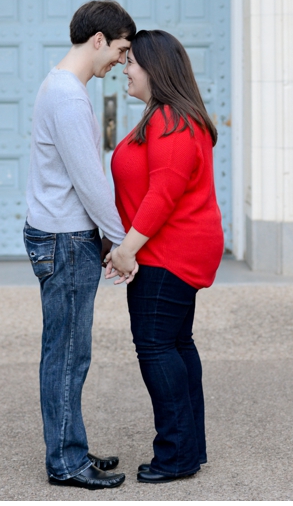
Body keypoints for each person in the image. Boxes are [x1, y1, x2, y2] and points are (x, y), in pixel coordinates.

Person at [23, 0, 136, 490]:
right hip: (67, 238)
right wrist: (118, 240)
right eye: (120, 49)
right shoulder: (69, 97)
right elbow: (90, 182)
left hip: (58, 234)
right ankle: (66, 462)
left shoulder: (60, 87)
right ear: (98, 41)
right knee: (69, 353)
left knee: (65, 350)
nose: (122, 61)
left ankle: (69, 445)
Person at [105, 29, 224, 483]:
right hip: (175, 247)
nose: (125, 69)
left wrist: (125, 251)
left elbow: (163, 193)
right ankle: (189, 448)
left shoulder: (169, 119)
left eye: (131, 61)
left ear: (155, 68)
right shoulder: (173, 116)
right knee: (176, 343)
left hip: (168, 251)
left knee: (156, 346)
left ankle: (175, 456)